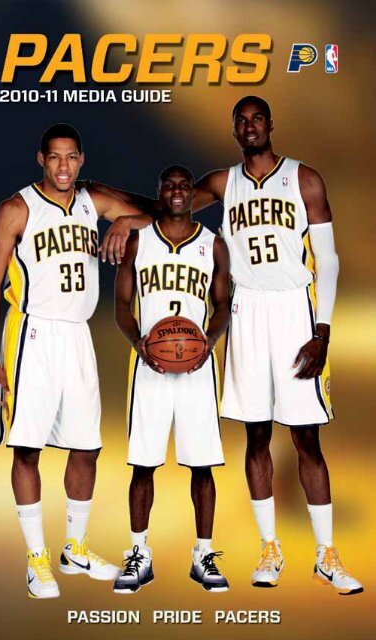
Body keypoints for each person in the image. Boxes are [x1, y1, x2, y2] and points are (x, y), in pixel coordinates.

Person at [98, 97, 363, 595]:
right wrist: (124, 218)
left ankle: (327, 555)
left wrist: (322, 330)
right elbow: (169, 209)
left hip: (292, 310)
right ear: (234, 130)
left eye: (256, 118)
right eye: (240, 121)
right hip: (245, 313)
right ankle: (271, 549)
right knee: (257, 435)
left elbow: (327, 260)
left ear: (270, 124)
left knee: (306, 437)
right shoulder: (224, 183)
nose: (248, 127)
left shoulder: (304, 179)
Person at [0, 123, 147, 599]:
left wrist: (125, 222)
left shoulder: (94, 202)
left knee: (87, 445)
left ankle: (74, 546)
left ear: (82, 159)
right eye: (55, 158)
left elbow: (165, 214)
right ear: (41, 160)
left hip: (77, 335)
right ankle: (36, 558)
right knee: (26, 447)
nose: (64, 166)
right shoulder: (16, 209)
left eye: (72, 157)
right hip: (32, 334)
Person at [113, 165, 230, 594]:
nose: (177, 192)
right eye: (169, 186)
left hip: (198, 369)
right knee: (143, 464)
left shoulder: (213, 245)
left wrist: (209, 342)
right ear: (159, 192)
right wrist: (138, 343)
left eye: (184, 186)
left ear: (191, 193)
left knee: (203, 464)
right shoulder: (140, 242)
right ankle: (139, 555)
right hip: (149, 366)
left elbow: (222, 305)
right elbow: (122, 304)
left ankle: (203, 556)